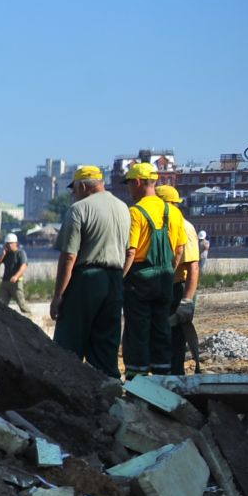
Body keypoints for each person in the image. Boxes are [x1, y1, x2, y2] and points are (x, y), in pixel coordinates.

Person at [48, 165, 131, 375]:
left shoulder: (79, 209)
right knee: (106, 340)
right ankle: (107, 387)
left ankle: (66, 382)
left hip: (87, 279)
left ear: (84, 186)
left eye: (74, 190)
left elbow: (69, 256)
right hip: (114, 279)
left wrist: (58, 295)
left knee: (70, 339)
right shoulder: (123, 208)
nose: (73, 195)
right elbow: (129, 250)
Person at [121, 162, 188, 378]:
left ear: (138, 182)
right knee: (161, 327)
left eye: (129, 184)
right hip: (165, 278)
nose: (129, 189)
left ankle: (136, 377)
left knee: (138, 329)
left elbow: (130, 251)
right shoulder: (173, 212)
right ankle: (162, 375)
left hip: (140, 278)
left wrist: (120, 279)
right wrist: (168, 272)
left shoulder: (136, 212)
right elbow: (179, 250)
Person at [158, 184, 202, 373]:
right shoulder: (164, 227)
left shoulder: (184, 227)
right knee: (163, 341)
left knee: (175, 342)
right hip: (167, 288)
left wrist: (186, 301)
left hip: (179, 290)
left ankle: (175, 378)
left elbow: (193, 266)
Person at [0, 233, 28, 312]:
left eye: (10, 243)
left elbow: (24, 266)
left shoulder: (20, 253)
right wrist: (3, 254)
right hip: (5, 282)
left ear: (15, 243)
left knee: (22, 304)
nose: (9, 245)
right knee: (0, 304)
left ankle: (30, 316)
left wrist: (16, 276)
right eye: (7, 244)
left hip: (16, 283)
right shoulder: (6, 254)